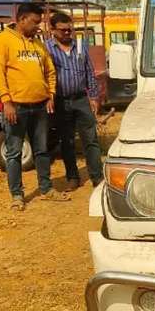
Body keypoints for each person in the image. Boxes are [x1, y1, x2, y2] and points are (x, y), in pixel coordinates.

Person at [0, 2, 69, 210]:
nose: (37, 27)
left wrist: (50, 94)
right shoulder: (3, 41)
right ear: (22, 19)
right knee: (14, 153)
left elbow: (50, 71)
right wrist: (6, 101)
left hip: (40, 106)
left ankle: (46, 188)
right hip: (16, 107)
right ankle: (17, 196)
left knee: (41, 150)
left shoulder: (38, 45)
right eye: (34, 22)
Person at [45, 12, 103, 189]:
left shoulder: (80, 45)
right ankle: (73, 177)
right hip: (61, 102)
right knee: (67, 141)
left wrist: (93, 97)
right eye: (63, 31)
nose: (68, 33)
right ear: (53, 30)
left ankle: (97, 177)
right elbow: (45, 75)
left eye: (70, 29)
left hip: (81, 100)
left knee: (91, 139)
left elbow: (89, 72)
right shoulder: (47, 49)